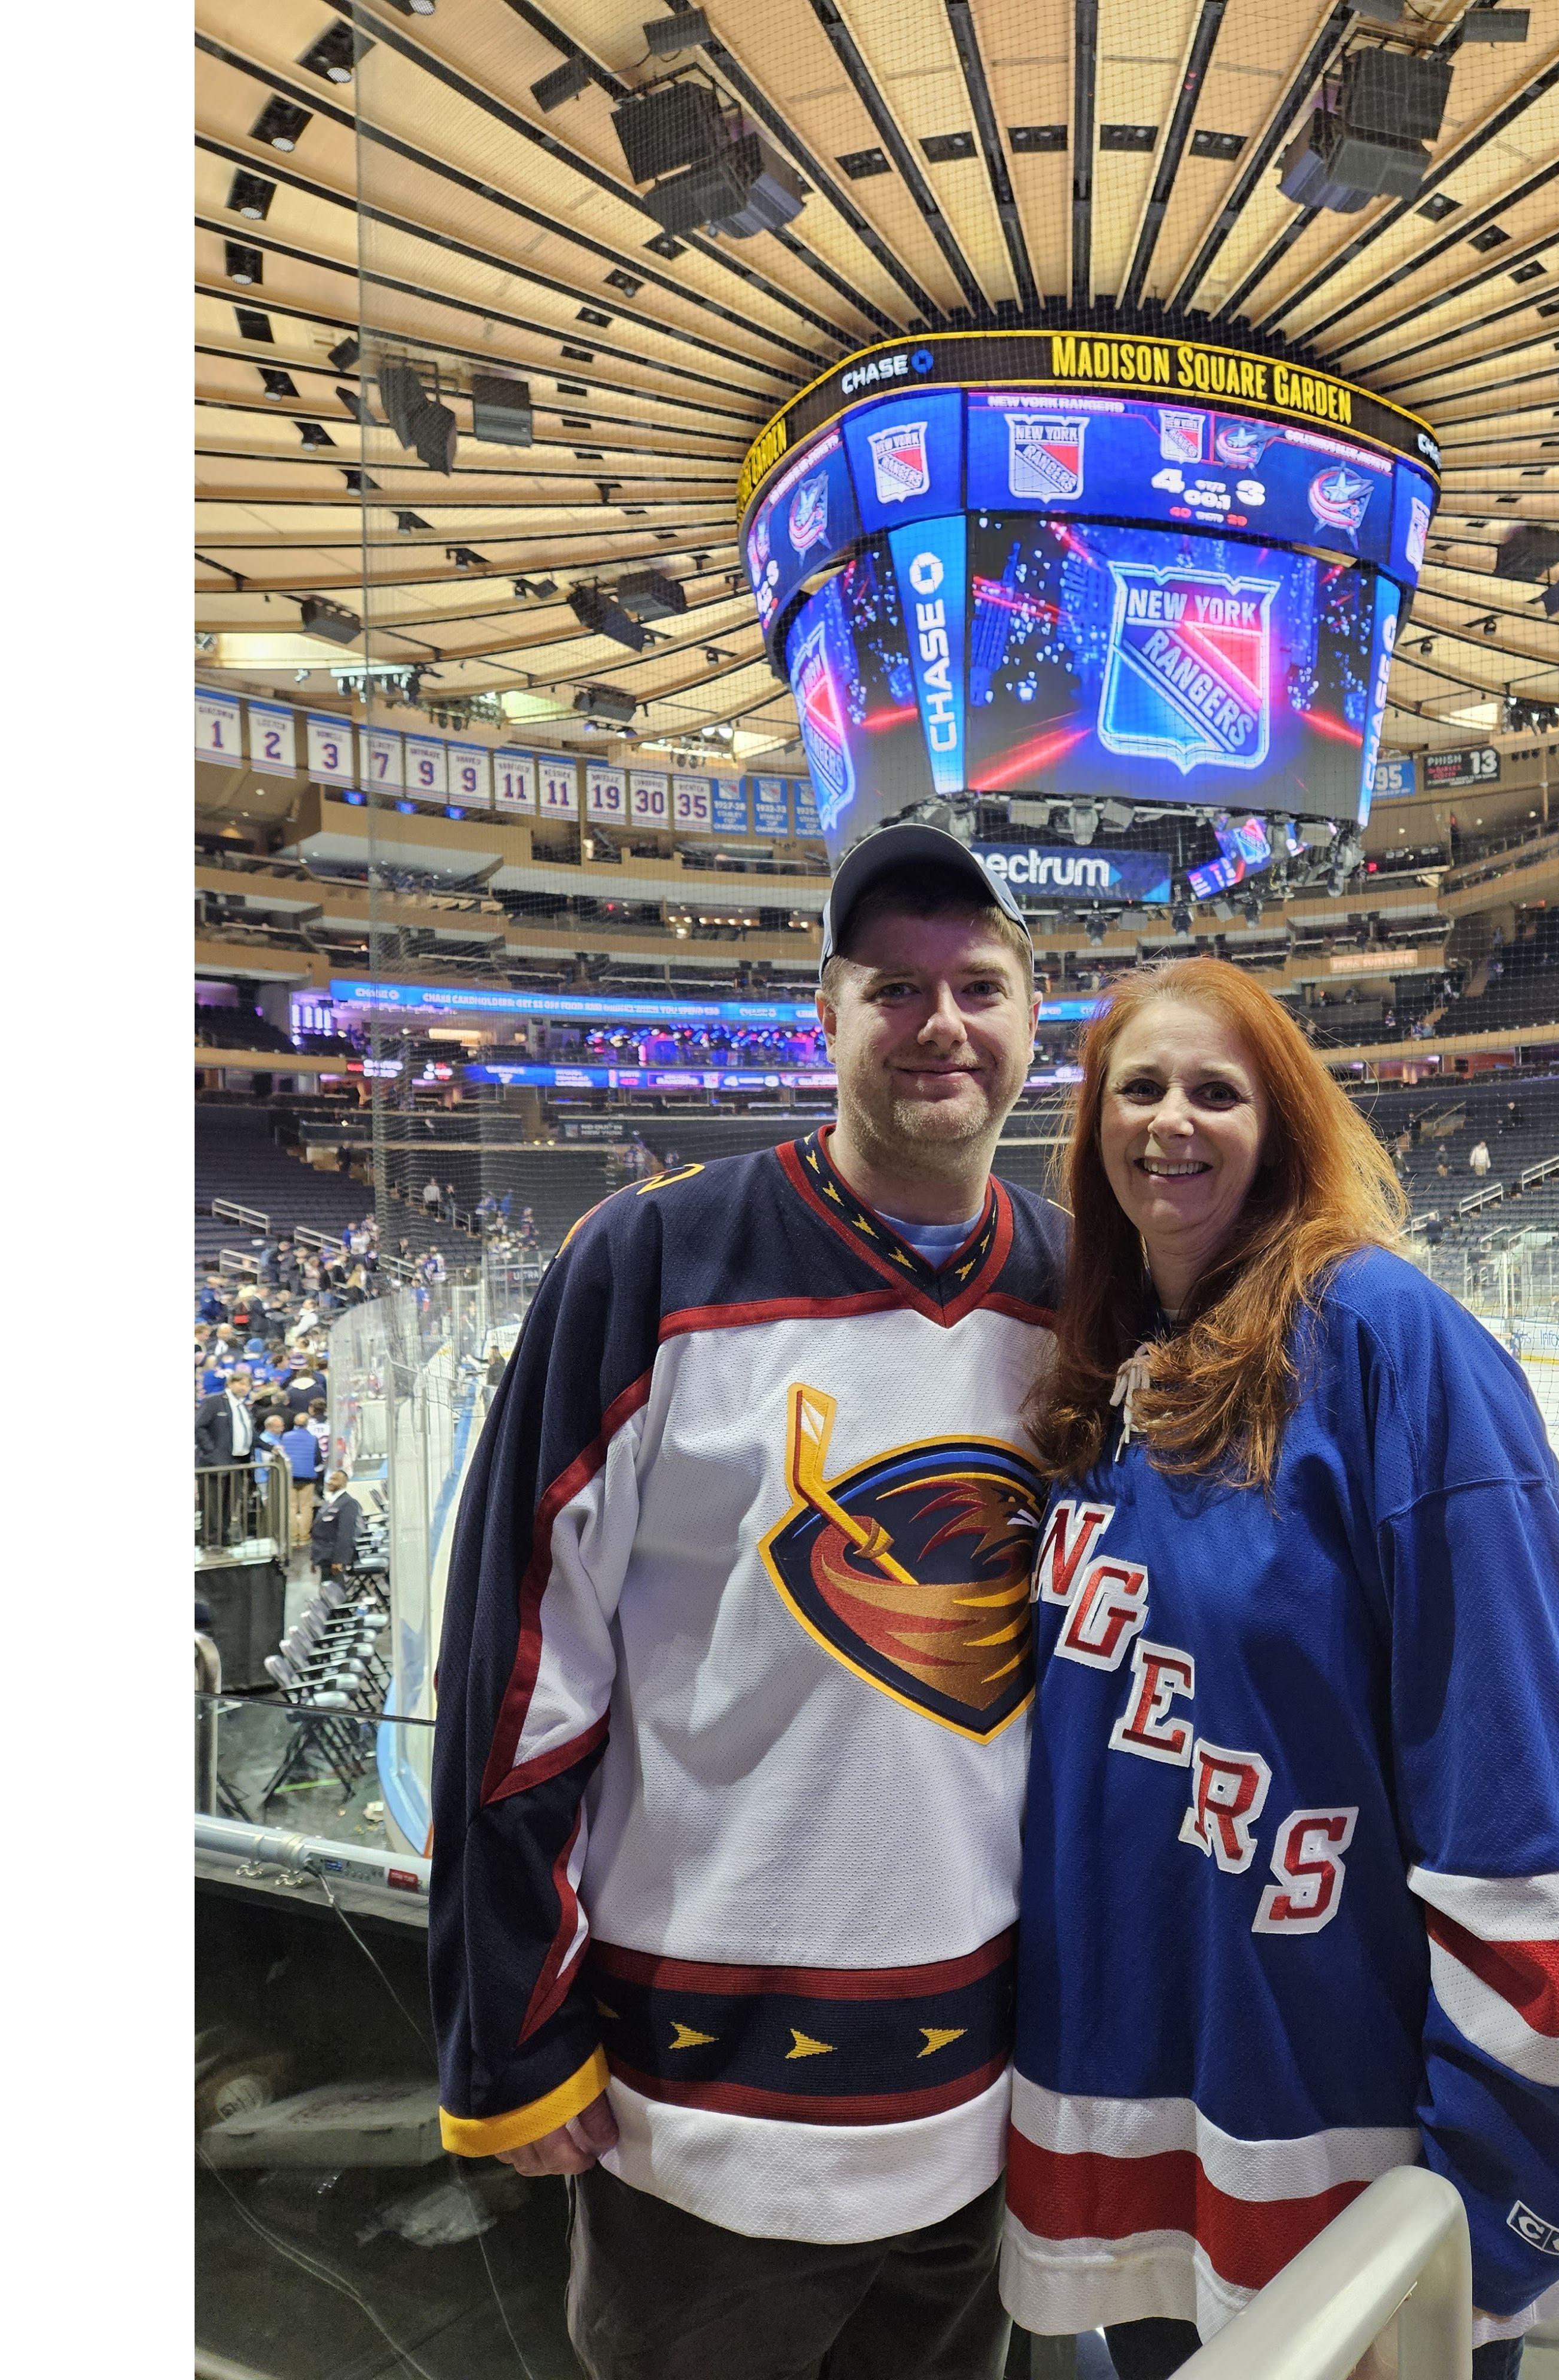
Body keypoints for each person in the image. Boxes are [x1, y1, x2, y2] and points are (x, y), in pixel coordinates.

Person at [427, 826, 1066, 2380]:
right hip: (697, 2113)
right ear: (827, 1019)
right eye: (893, 989)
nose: (942, 1023)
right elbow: (523, 1658)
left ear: (1033, 1024)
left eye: (978, 985)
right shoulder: (654, 1262)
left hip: (982, 2107)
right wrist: (514, 2032)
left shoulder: (1073, 1287)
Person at [1000, 959, 1559, 2378]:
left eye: (1216, 1090)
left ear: (1283, 1123)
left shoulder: (1385, 1344)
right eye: (1142, 1086)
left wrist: (1474, 2222)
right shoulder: (1101, 1372)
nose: (1172, 1120)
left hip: (1347, 2182)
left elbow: (1531, 1800)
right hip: (1136, 2153)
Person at [281, 1408, 322, 1546]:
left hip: (290, 1476)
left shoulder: (285, 1437)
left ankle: (293, 1537)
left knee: (291, 1507)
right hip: (308, 1477)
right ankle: (304, 1536)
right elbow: (317, 1459)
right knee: (306, 1507)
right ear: (307, 1424)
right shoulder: (313, 1439)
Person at [310, 1468, 361, 1576]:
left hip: (333, 1558)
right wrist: (314, 1559)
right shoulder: (331, 1502)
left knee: (335, 1590)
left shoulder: (348, 1503)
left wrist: (339, 1560)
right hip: (323, 1557)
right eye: (330, 1479)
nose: (330, 1482)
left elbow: (346, 1534)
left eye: (335, 1479)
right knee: (326, 1590)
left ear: (343, 1483)